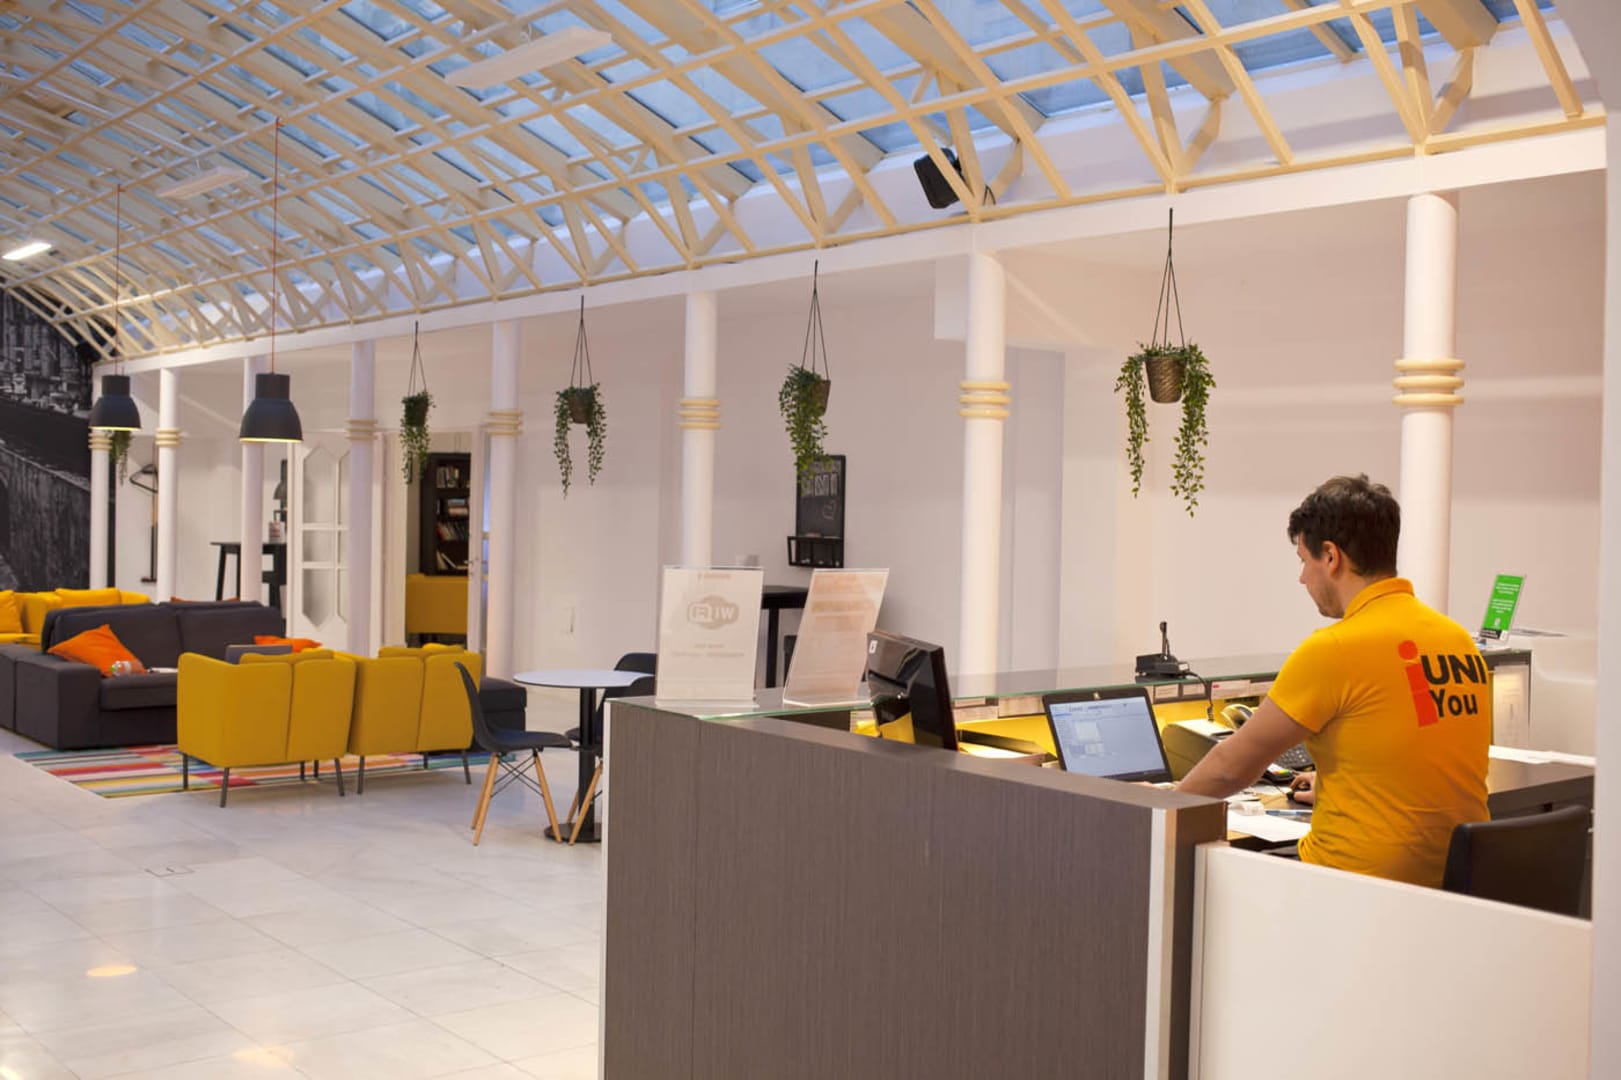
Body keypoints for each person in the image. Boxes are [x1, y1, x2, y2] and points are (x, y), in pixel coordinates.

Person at [1177, 474, 1490, 887]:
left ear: (1330, 556)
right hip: (1453, 886)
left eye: (1303, 561)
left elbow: (1229, 769)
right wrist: (1332, 784)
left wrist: (1154, 808)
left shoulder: (1335, 648)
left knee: (1208, 882)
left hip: (1353, 886)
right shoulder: (1456, 639)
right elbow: (1417, 759)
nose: (1302, 578)